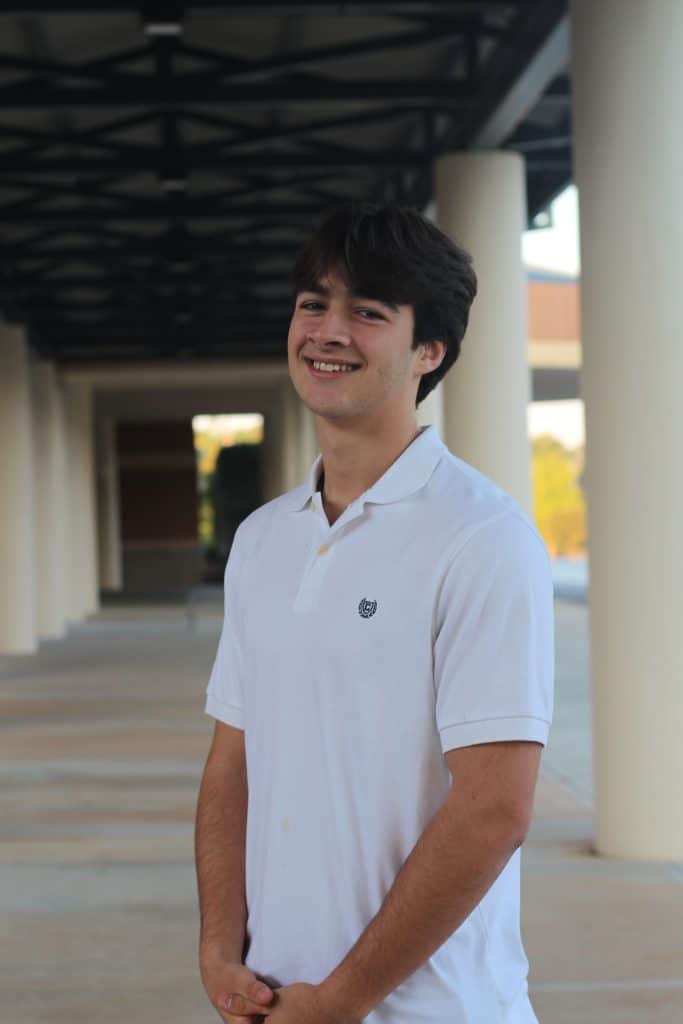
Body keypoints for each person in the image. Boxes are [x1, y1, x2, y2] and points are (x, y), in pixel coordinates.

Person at [195, 202, 554, 1024]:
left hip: (433, 1009)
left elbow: (495, 807)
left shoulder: (479, 536)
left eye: (367, 312)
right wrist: (221, 948)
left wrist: (344, 1000)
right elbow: (232, 762)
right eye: (312, 303)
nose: (327, 330)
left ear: (429, 350)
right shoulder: (261, 541)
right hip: (276, 999)